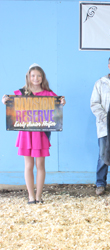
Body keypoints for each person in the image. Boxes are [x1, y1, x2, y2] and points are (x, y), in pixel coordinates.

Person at [1, 63, 66, 204]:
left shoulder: (49, 94)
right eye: (33, 76)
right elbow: (8, 100)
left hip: (41, 134)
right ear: (28, 77)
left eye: (39, 76)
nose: (36, 78)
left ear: (42, 78)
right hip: (25, 134)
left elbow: (58, 104)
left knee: (40, 165)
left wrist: (62, 101)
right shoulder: (20, 93)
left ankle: (39, 196)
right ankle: (30, 196)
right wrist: (4, 100)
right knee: (28, 165)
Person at [90, 55, 110, 195]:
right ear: (108, 65)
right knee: (103, 155)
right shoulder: (100, 83)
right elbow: (94, 104)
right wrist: (107, 118)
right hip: (105, 127)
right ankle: (100, 183)